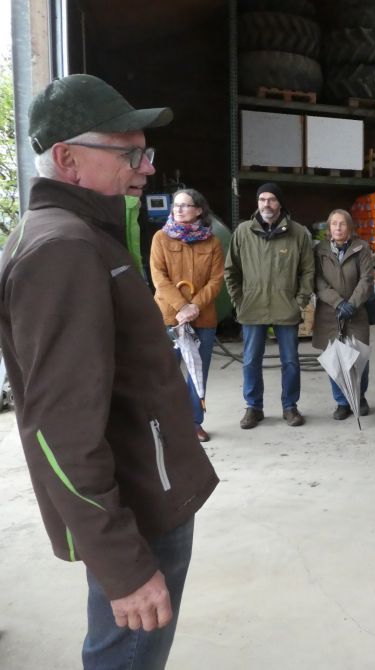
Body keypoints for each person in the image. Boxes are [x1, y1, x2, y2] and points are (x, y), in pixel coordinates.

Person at [0, 74, 218, 669]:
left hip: (147, 489)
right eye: (130, 153)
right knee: (125, 657)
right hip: (138, 509)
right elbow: (59, 430)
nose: (146, 168)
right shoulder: (62, 250)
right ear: (68, 159)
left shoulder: (82, 235)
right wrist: (122, 564)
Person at [224, 182, 314, 429]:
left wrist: (300, 302)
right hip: (252, 308)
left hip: (286, 307)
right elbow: (230, 270)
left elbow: (308, 271)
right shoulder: (243, 232)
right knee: (251, 360)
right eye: (262, 199)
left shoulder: (297, 233)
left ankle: (290, 407)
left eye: (272, 199)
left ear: (280, 203)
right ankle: (254, 407)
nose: (266, 204)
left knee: (291, 361)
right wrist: (239, 300)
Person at [149, 188, 224, 442]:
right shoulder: (160, 238)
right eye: (176, 205)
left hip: (202, 320)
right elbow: (159, 278)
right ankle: (164, 423)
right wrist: (182, 307)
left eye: (185, 205)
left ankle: (194, 423)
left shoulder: (212, 242)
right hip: (169, 318)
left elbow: (216, 281)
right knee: (164, 373)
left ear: (199, 210)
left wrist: (194, 308)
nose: (178, 209)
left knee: (197, 374)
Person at [313, 209, 375, 419]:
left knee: (359, 357)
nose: (338, 228)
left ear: (349, 227)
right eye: (334, 224)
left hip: (355, 312)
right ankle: (341, 402)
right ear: (329, 228)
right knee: (334, 359)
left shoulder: (361, 248)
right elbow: (318, 281)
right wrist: (338, 303)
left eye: (342, 224)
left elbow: (366, 279)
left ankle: (359, 396)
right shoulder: (320, 250)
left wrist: (352, 304)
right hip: (329, 312)